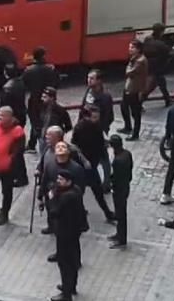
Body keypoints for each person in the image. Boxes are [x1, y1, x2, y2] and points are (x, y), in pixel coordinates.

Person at [71, 106, 117, 222]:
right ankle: (106, 213)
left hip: (94, 160)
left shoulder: (96, 125)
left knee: (89, 189)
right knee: (89, 189)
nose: (96, 119)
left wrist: (106, 144)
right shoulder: (80, 128)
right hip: (85, 164)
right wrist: (84, 160)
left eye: (97, 117)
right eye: (94, 117)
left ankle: (103, 212)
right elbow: (74, 146)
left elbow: (99, 139)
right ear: (86, 116)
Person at [48, 169, 86, 301]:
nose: (58, 181)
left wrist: (52, 198)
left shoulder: (66, 197)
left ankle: (66, 293)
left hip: (65, 233)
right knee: (73, 259)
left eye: (61, 179)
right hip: (75, 231)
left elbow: (54, 212)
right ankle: (71, 286)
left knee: (64, 263)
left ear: (68, 181)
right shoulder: (76, 190)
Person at [24, 48, 59, 152]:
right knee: (47, 121)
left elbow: (24, 84)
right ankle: (43, 143)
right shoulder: (50, 69)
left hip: (34, 99)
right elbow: (57, 83)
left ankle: (33, 144)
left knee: (35, 122)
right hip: (48, 99)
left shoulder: (29, 70)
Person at [119, 39, 148, 140]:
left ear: (138, 49)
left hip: (135, 90)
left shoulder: (140, 61)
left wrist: (128, 68)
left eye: (132, 47)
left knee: (135, 113)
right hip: (129, 88)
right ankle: (127, 126)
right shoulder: (134, 58)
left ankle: (135, 134)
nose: (129, 49)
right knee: (123, 106)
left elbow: (129, 72)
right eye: (129, 47)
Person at [107, 135, 133, 249]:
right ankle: (119, 234)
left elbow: (115, 177)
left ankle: (122, 239)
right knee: (120, 213)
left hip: (119, 190)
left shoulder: (117, 161)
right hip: (125, 186)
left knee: (121, 214)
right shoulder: (127, 153)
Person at [143, 24, 174, 106]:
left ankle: (167, 100)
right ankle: (139, 102)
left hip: (149, 67)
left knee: (161, 84)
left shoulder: (147, 39)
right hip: (157, 68)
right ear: (161, 32)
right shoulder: (159, 44)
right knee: (153, 86)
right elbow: (168, 52)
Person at [38, 88, 74, 158]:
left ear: (52, 98)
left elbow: (68, 126)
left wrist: (59, 134)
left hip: (55, 140)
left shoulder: (60, 110)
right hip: (43, 138)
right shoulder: (42, 107)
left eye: (45, 97)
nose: (42, 99)